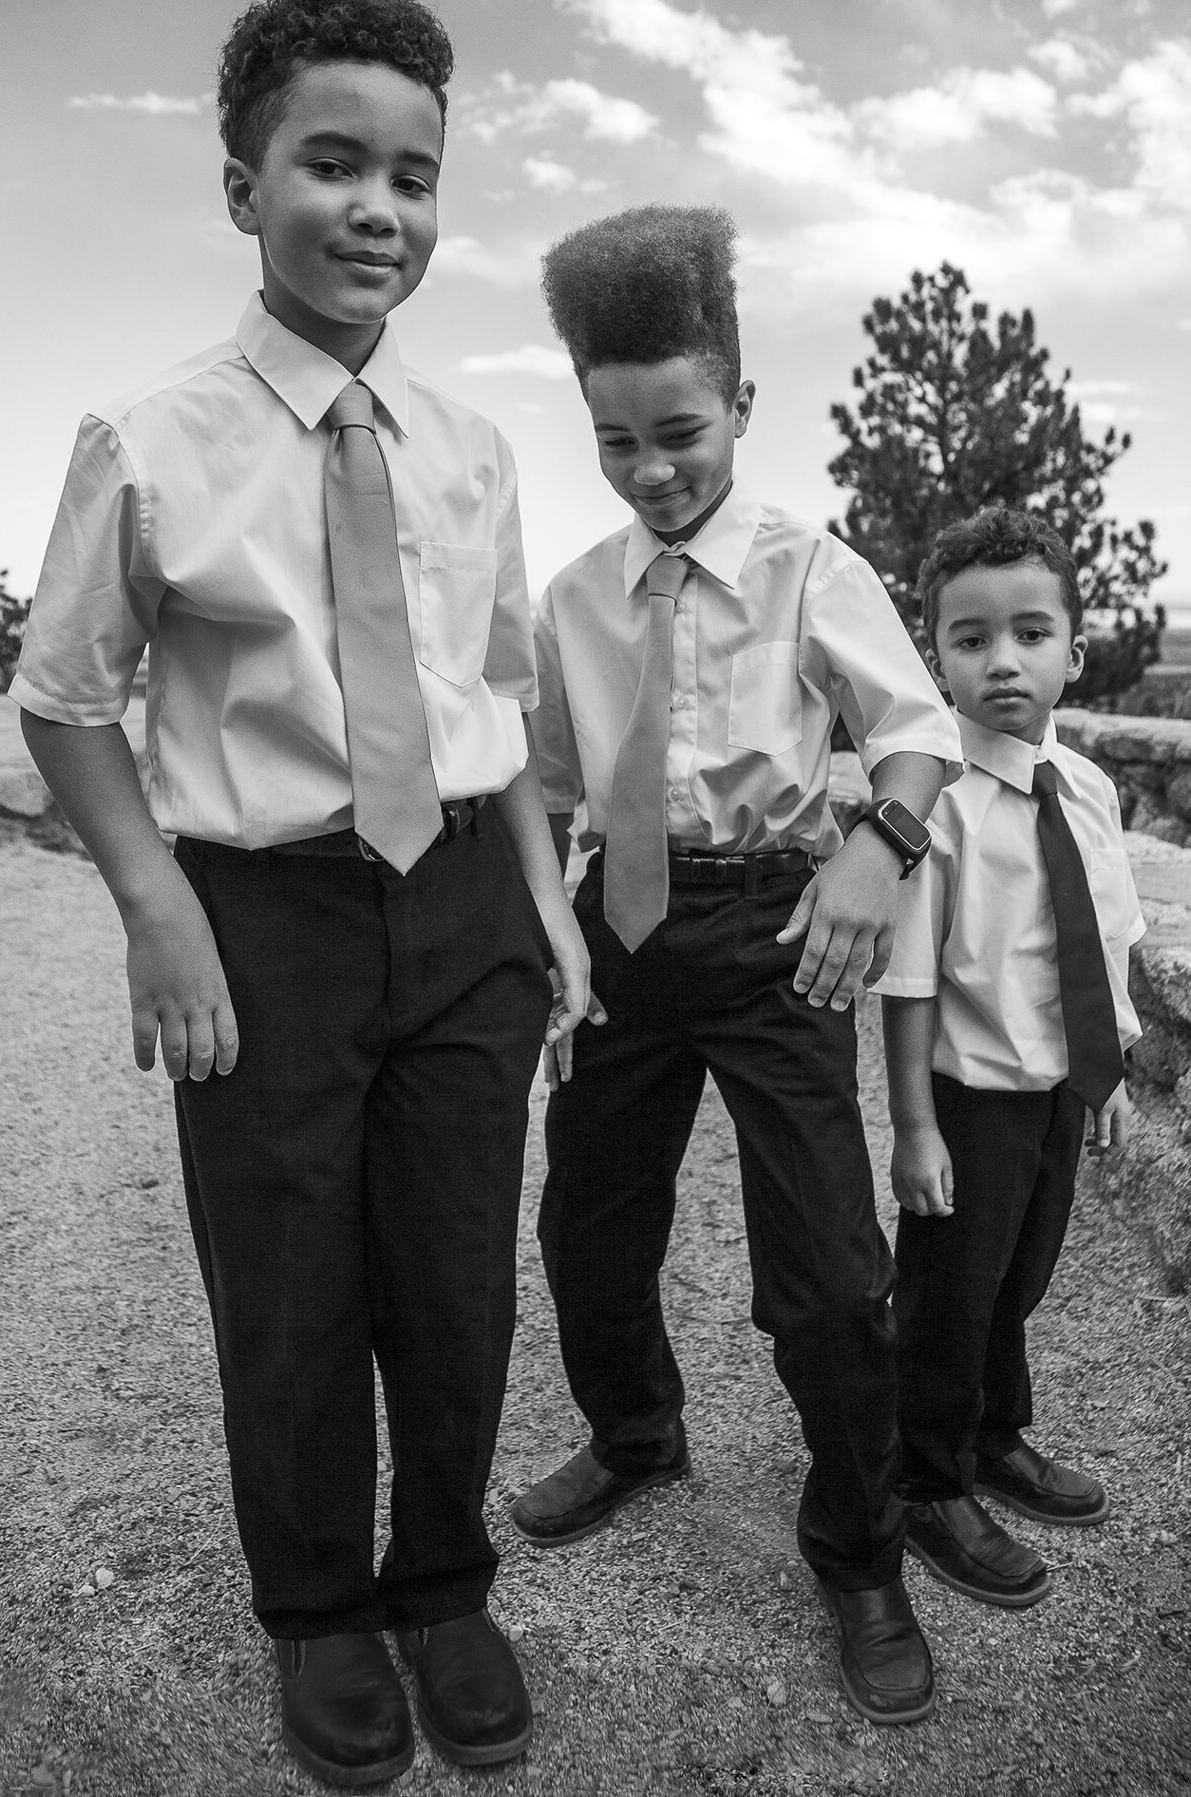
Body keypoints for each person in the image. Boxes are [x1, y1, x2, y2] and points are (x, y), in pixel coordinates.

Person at [12, 0, 592, 1790]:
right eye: (332, 164)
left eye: (413, 176)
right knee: (285, 1285)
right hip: (263, 918)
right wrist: (157, 908)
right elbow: (63, 696)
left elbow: (492, 700)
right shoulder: (150, 438)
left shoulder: (477, 449)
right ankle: (319, 1613)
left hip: (465, 912)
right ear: (241, 183)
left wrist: (548, 909)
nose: (379, 210)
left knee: (451, 1277)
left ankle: (441, 1583)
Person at [515, 204, 964, 1727]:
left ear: (739, 408)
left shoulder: (803, 567)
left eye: (680, 432)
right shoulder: (574, 597)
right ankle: (636, 1437)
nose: (651, 469)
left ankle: (859, 1551)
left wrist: (869, 851)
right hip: (620, 941)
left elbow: (915, 732)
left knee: (827, 1276)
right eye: (615, 439)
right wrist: (545, 938)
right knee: (583, 1222)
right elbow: (548, 790)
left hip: (777, 934)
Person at [876, 507, 1142, 1610]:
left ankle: (994, 1435)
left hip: (1056, 1092)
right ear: (934, 652)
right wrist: (915, 1127)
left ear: (1074, 651)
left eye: (1030, 633)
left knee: (1020, 1277)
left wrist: (1112, 1070)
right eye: (971, 639)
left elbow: (1109, 937)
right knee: (949, 1293)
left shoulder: (1086, 789)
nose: (1002, 662)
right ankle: (927, 1480)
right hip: (969, 1100)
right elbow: (909, 979)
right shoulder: (935, 811)